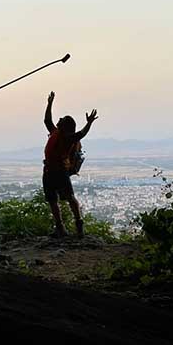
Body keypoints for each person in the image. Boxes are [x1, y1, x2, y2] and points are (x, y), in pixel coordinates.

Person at [42, 91, 97, 238]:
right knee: (53, 200)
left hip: (59, 172)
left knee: (68, 198)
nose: (59, 119)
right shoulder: (55, 132)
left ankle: (78, 225)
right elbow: (47, 120)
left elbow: (81, 134)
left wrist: (89, 123)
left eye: (62, 119)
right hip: (49, 170)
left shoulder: (66, 139)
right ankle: (61, 227)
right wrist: (49, 103)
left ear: (65, 126)